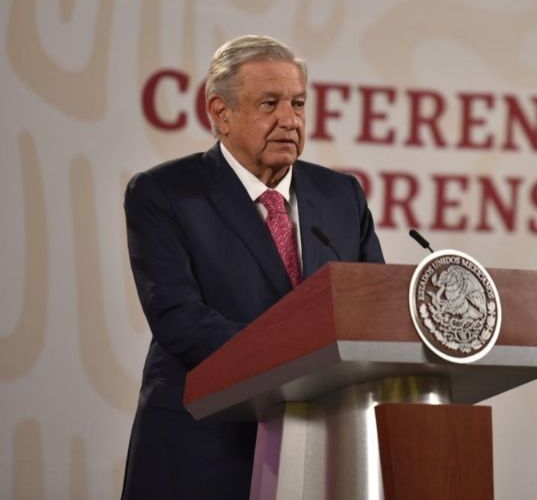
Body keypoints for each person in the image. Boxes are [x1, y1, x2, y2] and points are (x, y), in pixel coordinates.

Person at [121, 35, 384, 498]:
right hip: (204, 447)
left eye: (298, 103)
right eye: (270, 104)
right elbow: (180, 320)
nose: (289, 119)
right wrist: (304, 358)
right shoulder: (164, 194)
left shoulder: (341, 196)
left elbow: (374, 306)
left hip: (324, 448)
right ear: (220, 113)